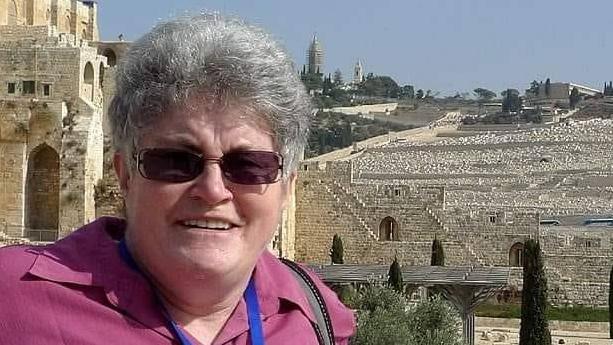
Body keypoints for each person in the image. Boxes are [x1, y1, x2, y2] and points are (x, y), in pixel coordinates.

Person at [0, 13, 355, 344]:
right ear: (124, 175)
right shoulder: (13, 299)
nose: (213, 190)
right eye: (175, 161)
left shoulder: (316, 316)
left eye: (247, 165)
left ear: (287, 187)